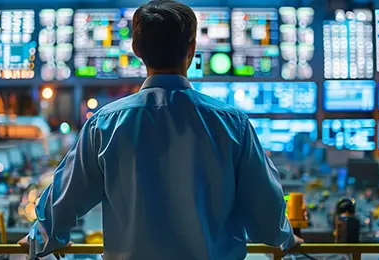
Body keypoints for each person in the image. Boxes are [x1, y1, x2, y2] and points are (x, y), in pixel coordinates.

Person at [19, 0, 302, 259]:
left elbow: (63, 200)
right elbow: (267, 216)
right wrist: (285, 237)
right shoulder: (232, 124)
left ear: (137, 50)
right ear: (191, 49)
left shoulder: (105, 124)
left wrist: (41, 237)